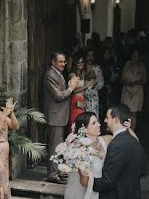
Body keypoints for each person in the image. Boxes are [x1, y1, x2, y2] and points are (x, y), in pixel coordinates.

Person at [80, 104, 145, 199]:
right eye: (94, 122)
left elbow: (107, 181)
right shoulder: (133, 143)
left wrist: (91, 184)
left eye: (107, 118)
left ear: (115, 119)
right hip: (132, 197)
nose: (103, 121)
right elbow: (143, 170)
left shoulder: (115, 144)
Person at [42, 52, 81, 182]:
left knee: (59, 147)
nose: (63, 64)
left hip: (60, 116)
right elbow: (58, 96)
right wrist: (71, 88)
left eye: (64, 61)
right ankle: (52, 175)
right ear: (53, 62)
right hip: (55, 117)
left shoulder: (58, 73)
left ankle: (58, 171)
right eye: (60, 62)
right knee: (54, 147)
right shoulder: (50, 75)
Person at [120, 51, 146, 130]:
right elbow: (122, 79)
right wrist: (126, 82)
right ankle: (124, 131)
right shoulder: (127, 65)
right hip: (126, 90)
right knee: (125, 112)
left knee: (134, 113)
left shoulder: (141, 66)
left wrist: (135, 83)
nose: (135, 57)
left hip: (137, 91)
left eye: (137, 56)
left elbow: (145, 80)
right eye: (133, 55)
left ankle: (132, 132)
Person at [67, 57, 87, 134]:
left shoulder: (83, 74)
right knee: (74, 122)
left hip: (81, 102)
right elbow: (73, 91)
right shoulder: (73, 75)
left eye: (82, 62)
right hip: (75, 101)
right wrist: (86, 86)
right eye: (78, 62)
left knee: (81, 123)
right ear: (75, 64)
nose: (80, 64)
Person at [84, 49, 104, 115]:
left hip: (93, 96)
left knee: (93, 115)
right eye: (88, 55)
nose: (90, 57)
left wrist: (94, 85)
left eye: (92, 55)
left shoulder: (97, 68)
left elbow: (101, 83)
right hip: (82, 94)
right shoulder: (82, 66)